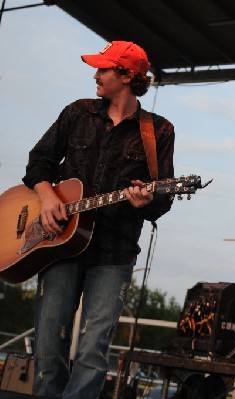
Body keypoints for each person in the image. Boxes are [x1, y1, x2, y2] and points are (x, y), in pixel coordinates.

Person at [22, 41, 175, 398]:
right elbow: (38, 162)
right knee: (48, 346)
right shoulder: (77, 113)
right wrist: (47, 197)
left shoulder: (160, 131)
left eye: (103, 69)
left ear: (126, 75)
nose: (95, 74)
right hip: (59, 245)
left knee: (94, 351)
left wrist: (145, 200)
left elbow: (162, 199)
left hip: (115, 253)